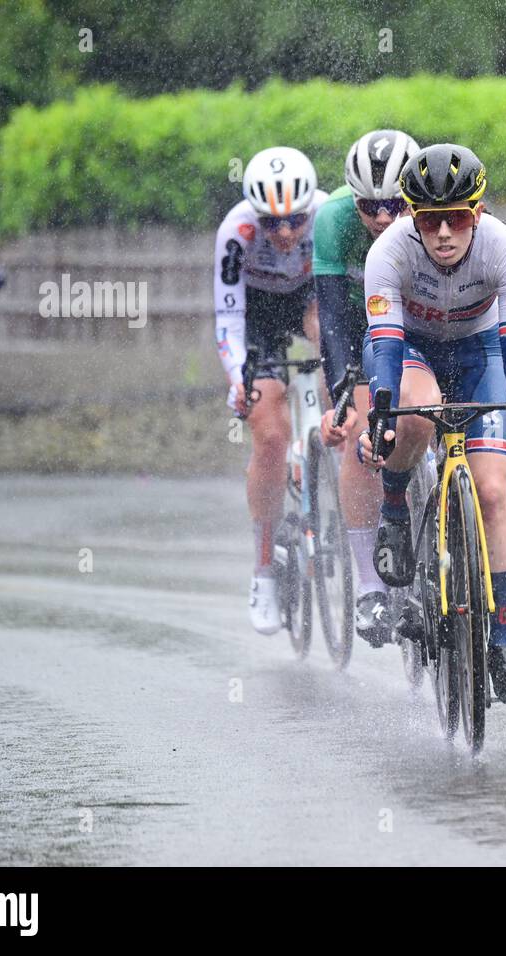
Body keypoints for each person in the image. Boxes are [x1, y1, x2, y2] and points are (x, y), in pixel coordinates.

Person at [357, 143, 506, 703]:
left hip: (481, 352)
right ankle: (395, 504)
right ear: (413, 218)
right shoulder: (388, 254)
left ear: (478, 214)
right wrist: (383, 416)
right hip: (410, 351)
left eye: (458, 218)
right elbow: (387, 350)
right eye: (431, 220)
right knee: (418, 410)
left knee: (492, 492)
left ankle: (503, 644)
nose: (444, 233)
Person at [312, 129, 419, 645]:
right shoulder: (332, 220)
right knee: (362, 438)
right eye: (369, 206)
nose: (381, 218)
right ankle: (370, 590)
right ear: (352, 199)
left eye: (395, 205)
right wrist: (341, 395)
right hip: (358, 328)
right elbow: (330, 314)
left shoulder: (435, 214)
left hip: (418, 324)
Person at [214, 146, 325, 634]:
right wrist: (238, 377)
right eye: (271, 222)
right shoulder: (236, 233)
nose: (283, 232)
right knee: (271, 435)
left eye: (294, 220)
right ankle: (263, 570)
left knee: (330, 349)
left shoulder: (328, 218)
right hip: (257, 315)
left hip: (309, 302)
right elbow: (228, 317)